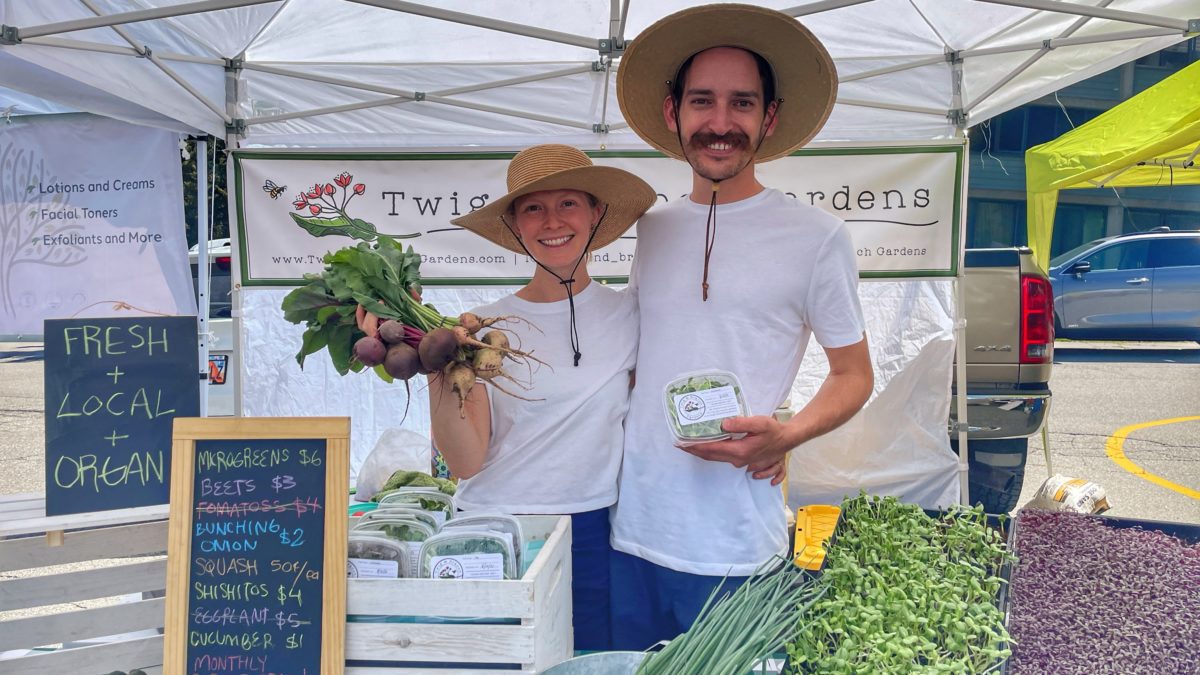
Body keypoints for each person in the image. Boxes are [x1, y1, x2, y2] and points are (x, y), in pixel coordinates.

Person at [608, 4, 874, 647]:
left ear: (769, 118)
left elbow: (854, 375)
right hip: (632, 527)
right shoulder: (654, 227)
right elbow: (642, 360)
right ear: (674, 113)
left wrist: (785, 436)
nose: (720, 123)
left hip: (734, 545)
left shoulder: (816, 237)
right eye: (702, 101)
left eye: (742, 103)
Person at [431, 144, 655, 651]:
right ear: (515, 225)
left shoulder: (632, 316)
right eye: (533, 207)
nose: (551, 220)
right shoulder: (481, 327)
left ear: (596, 213)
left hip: (592, 528)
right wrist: (434, 364)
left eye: (568, 204)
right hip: (494, 525)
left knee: (586, 658)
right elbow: (466, 461)